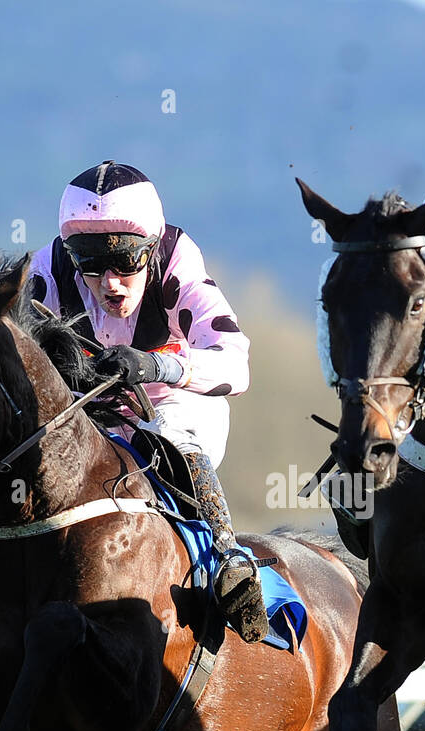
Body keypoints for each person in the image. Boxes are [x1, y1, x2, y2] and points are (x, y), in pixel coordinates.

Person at [27, 161, 269, 641]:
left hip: (170, 404)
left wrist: (158, 365)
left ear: (151, 249)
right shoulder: (48, 270)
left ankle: (228, 560)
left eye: (126, 260)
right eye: (90, 261)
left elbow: (234, 361)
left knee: (171, 432)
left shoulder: (177, 258)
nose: (109, 281)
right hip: (84, 416)